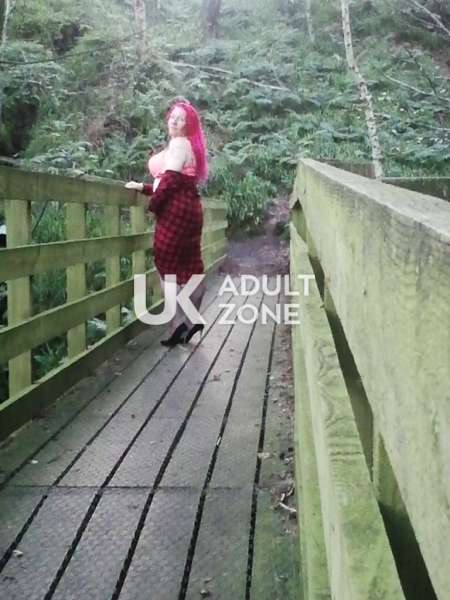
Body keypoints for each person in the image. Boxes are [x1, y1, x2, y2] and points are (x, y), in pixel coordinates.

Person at [125, 100, 208, 346]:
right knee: (190, 265)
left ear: (188, 125)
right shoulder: (190, 146)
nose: (174, 121)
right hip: (190, 210)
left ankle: (178, 323)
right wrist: (143, 187)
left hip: (175, 213)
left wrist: (153, 206)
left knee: (166, 266)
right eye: (173, 116)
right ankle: (192, 320)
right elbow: (176, 183)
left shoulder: (179, 143)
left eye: (181, 119)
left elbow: (170, 181)